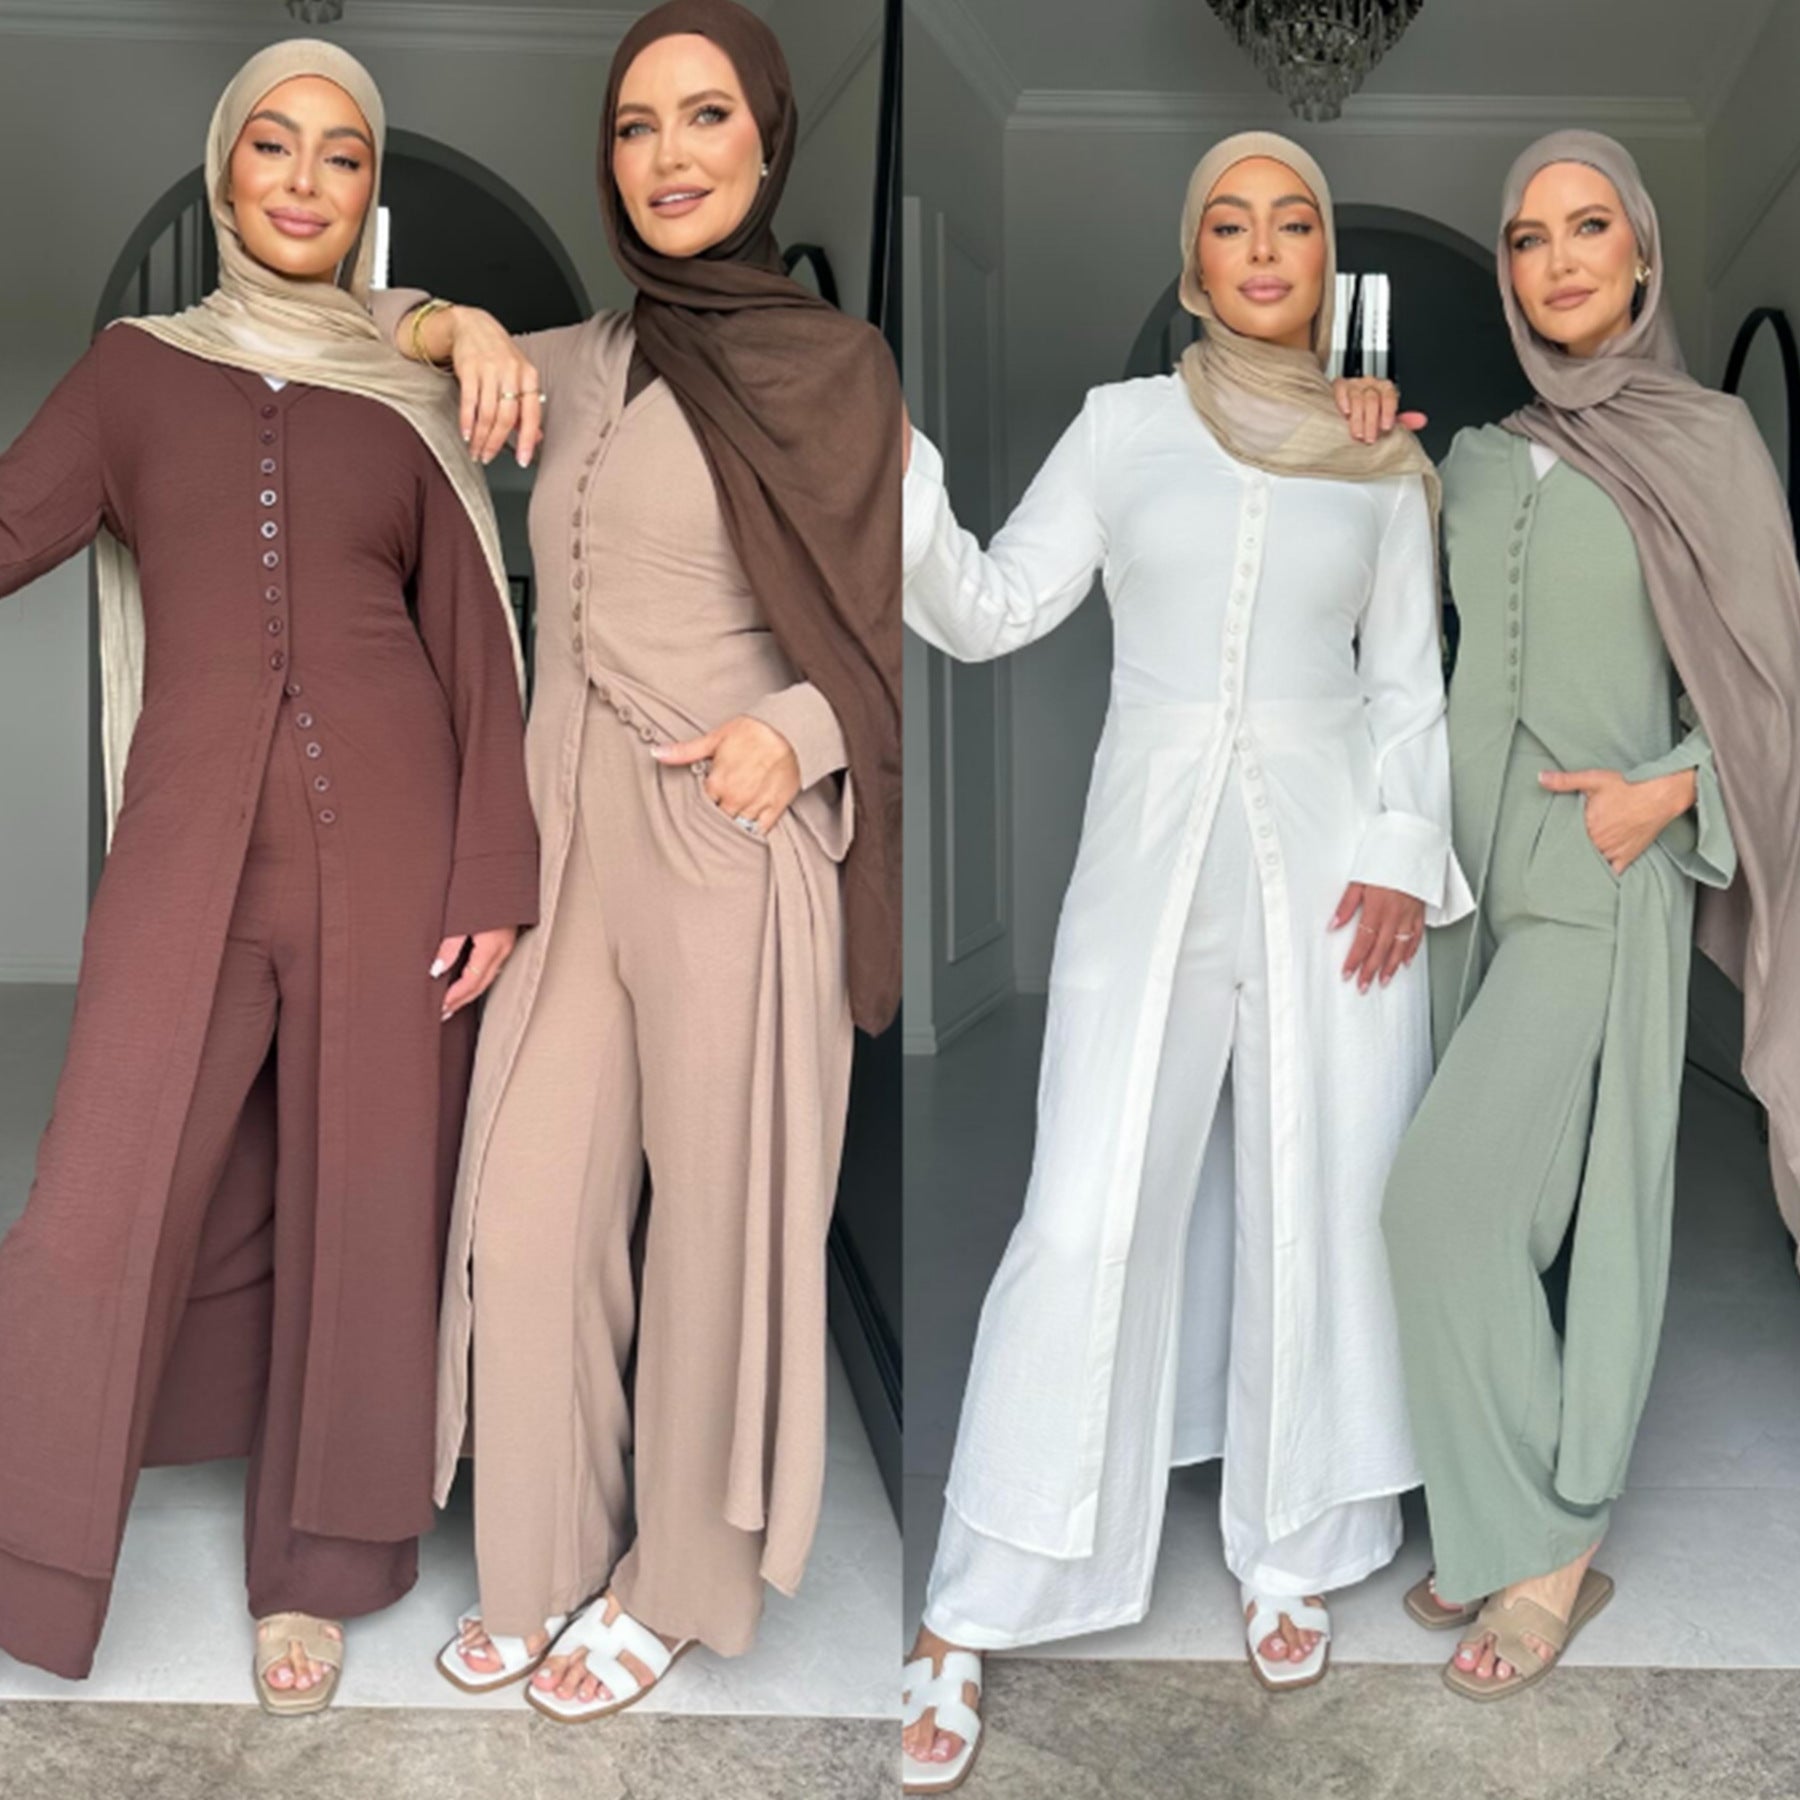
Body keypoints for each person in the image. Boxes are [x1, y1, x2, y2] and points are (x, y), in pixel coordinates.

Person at [899, 132, 1467, 1791]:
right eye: (1233, 221)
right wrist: (889, 462)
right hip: (1147, 856)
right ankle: (984, 1593)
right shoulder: (1120, 427)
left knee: (1322, 1185)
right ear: (1193, 261)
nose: (1265, 245)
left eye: (1294, 222)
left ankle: (1296, 1546)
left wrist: (1401, 853)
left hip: (1334, 860)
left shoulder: (1383, 459)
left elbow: (1406, 684)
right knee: (1086, 1200)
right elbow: (991, 605)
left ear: (1323, 262)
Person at [370, 0, 903, 1723]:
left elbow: (894, 622)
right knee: (531, 1213)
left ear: (767, 140)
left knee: (717, 1242)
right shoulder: (576, 359)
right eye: (635, 125)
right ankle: (537, 1556)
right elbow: (348, 325)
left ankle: (677, 1581)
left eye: (706, 118)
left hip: (731, 837)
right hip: (566, 831)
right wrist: (456, 322)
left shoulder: (838, 367)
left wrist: (799, 734)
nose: (669, 156)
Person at [0, 41, 537, 1712]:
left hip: (401, 849)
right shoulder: (133, 375)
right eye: (275, 148)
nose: (306, 181)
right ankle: (32, 1551)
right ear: (225, 169)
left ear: (369, 195)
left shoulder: (414, 396)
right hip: (187, 851)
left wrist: (493, 869)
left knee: (366, 1197)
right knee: (102, 1186)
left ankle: (317, 1571)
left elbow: (476, 648)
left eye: (342, 156)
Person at [1380, 130, 1800, 1700]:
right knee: (1493, 1215)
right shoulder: (1483, 456)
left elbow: (1774, 680)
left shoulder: (1709, 441)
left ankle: (1553, 1545)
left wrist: (1669, 792)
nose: (1559, 260)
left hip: (1602, 881)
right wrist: (1359, 442)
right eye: (1530, 236)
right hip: (1472, 894)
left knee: (1470, 1207)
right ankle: (1493, 1506)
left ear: (1640, 255)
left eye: (1589, 227)